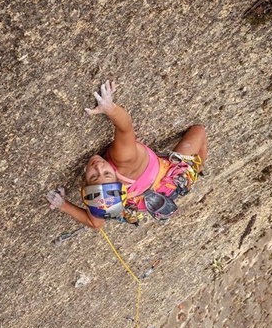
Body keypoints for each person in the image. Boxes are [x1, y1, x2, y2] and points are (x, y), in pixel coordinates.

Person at [46, 80, 208, 227]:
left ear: (86, 184)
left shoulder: (99, 195)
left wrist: (62, 205)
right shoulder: (122, 160)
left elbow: (96, 224)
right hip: (168, 180)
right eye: (106, 174)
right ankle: (199, 168)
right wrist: (110, 108)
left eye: (95, 175)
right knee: (198, 131)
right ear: (117, 179)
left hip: (139, 198)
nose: (98, 167)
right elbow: (125, 127)